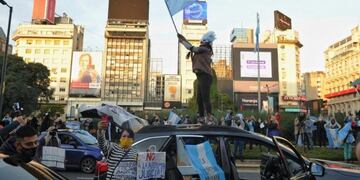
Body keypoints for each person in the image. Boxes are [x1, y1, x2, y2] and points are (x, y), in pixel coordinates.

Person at [178, 31, 216, 124]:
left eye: (202, 41)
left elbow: (191, 48)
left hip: (205, 76)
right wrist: (183, 39)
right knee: (199, 99)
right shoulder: (203, 49)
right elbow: (191, 47)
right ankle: (202, 117)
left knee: (205, 97)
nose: (201, 42)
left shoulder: (205, 49)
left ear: (206, 42)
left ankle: (209, 116)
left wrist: (182, 41)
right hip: (201, 76)